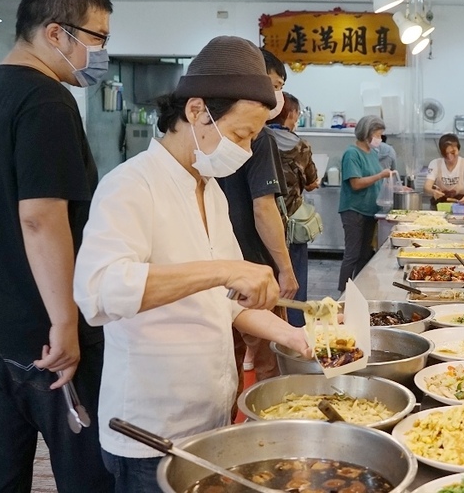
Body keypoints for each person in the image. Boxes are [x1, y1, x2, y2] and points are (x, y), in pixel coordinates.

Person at [73, 36, 311, 491]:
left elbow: (223, 300)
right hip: (150, 428)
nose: (244, 149)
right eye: (241, 134)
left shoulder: (211, 189)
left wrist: (290, 334)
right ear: (198, 111)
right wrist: (225, 270)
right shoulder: (130, 186)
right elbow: (100, 291)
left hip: (210, 417)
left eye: (253, 139)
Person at [0, 0, 115, 492]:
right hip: (39, 339)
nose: (100, 53)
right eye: (98, 38)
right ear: (56, 33)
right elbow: (39, 217)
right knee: (89, 474)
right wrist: (64, 321)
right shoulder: (46, 101)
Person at [217, 46, 298, 386]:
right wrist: (285, 268)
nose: (276, 95)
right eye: (274, 84)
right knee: (266, 362)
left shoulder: (223, 134)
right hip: (252, 267)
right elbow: (263, 207)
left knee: (231, 356)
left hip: (221, 270)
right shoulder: (260, 138)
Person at [271, 90, 320, 326]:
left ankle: (270, 333)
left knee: (268, 282)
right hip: (292, 223)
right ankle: (295, 331)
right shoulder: (300, 146)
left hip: (259, 226)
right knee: (294, 280)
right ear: (290, 113)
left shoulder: (256, 140)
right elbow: (312, 183)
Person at [338, 115, 393, 292]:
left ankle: (359, 291)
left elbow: (376, 180)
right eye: (377, 134)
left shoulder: (372, 153)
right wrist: (380, 175)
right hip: (354, 210)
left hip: (370, 211)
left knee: (365, 255)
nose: (379, 139)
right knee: (352, 255)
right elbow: (356, 183)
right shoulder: (352, 154)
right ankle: (343, 293)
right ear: (367, 133)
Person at [424, 133, 464, 206]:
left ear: (458, 149)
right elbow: (427, 187)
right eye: (445, 154)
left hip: (463, 204)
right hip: (441, 204)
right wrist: (433, 192)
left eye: (453, 152)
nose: (450, 157)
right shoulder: (435, 164)